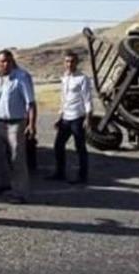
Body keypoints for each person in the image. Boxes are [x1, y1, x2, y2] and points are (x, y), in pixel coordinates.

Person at [0, 49, 36, 204]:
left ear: (12, 61)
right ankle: (2, 184)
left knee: (17, 158)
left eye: (8, 61)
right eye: (2, 61)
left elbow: (31, 103)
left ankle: (20, 193)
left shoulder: (21, 77)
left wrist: (31, 124)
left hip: (16, 122)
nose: (5, 64)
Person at [48, 50, 92, 184]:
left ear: (77, 63)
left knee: (80, 148)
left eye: (72, 61)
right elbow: (64, 99)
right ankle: (60, 172)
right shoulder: (64, 78)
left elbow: (87, 99)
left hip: (78, 118)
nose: (69, 64)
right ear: (64, 63)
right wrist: (60, 117)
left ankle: (82, 176)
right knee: (58, 145)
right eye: (67, 61)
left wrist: (88, 118)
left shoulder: (83, 79)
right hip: (66, 118)